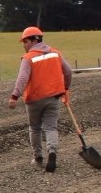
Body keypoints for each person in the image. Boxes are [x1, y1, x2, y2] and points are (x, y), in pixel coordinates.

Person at [7, 26, 72, 172]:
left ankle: (38, 157)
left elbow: (22, 79)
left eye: (25, 41)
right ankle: (52, 152)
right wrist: (66, 88)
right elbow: (68, 72)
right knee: (51, 127)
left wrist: (14, 96)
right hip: (54, 97)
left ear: (33, 40)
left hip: (34, 99)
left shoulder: (28, 58)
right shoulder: (56, 53)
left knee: (35, 128)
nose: (24, 45)